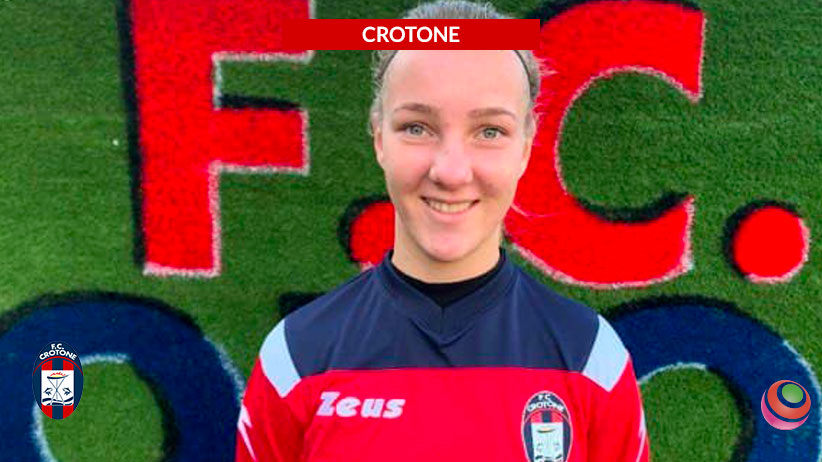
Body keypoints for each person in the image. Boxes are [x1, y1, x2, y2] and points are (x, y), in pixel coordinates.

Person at [236, 1, 649, 461]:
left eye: (489, 131)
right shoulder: (296, 358)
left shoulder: (591, 358)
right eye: (417, 127)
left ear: (526, 147)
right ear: (379, 138)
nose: (451, 171)